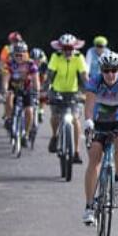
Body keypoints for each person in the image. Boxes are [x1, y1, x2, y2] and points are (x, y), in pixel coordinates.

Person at [81, 50, 118, 225]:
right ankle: (89, 206)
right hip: (99, 122)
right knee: (94, 158)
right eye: (106, 70)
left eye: (114, 70)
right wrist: (88, 121)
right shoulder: (95, 81)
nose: (110, 74)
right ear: (101, 70)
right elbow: (89, 105)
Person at [45, 34, 88, 163]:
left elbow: (84, 76)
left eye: (70, 48)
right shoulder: (55, 57)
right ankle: (54, 136)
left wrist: (91, 91)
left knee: (75, 119)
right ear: (61, 49)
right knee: (55, 116)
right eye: (65, 48)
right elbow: (49, 75)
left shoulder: (79, 57)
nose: (68, 51)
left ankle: (76, 152)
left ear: (74, 48)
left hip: (73, 92)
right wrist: (44, 90)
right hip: (57, 90)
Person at [3, 41, 41, 142]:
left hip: (26, 89)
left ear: (26, 54)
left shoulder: (31, 64)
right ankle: (9, 119)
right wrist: (5, 90)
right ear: (13, 54)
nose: (19, 57)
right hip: (13, 88)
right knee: (9, 96)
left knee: (29, 111)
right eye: (17, 54)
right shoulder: (10, 64)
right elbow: (6, 79)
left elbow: (36, 81)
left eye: (21, 54)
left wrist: (37, 93)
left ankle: (26, 133)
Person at [0, 31, 23, 125]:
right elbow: (2, 61)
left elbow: (27, 61)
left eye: (18, 40)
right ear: (10, 41)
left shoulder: (23, 48)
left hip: (20, 72)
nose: (16, 42)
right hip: (9, 70)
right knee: (6, 93)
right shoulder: (7, 49)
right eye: (14, 40)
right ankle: (7, 112)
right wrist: (2, 70)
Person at [31, 47, 48, 125]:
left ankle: (41, 111)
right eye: (34, 60)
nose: (36, 62)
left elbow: (45, 78)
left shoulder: (44, 65)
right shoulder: (28, 64)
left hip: (41, 78)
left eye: (38, 60)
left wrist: (41, 88)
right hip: (31, 79)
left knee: (44, 93)